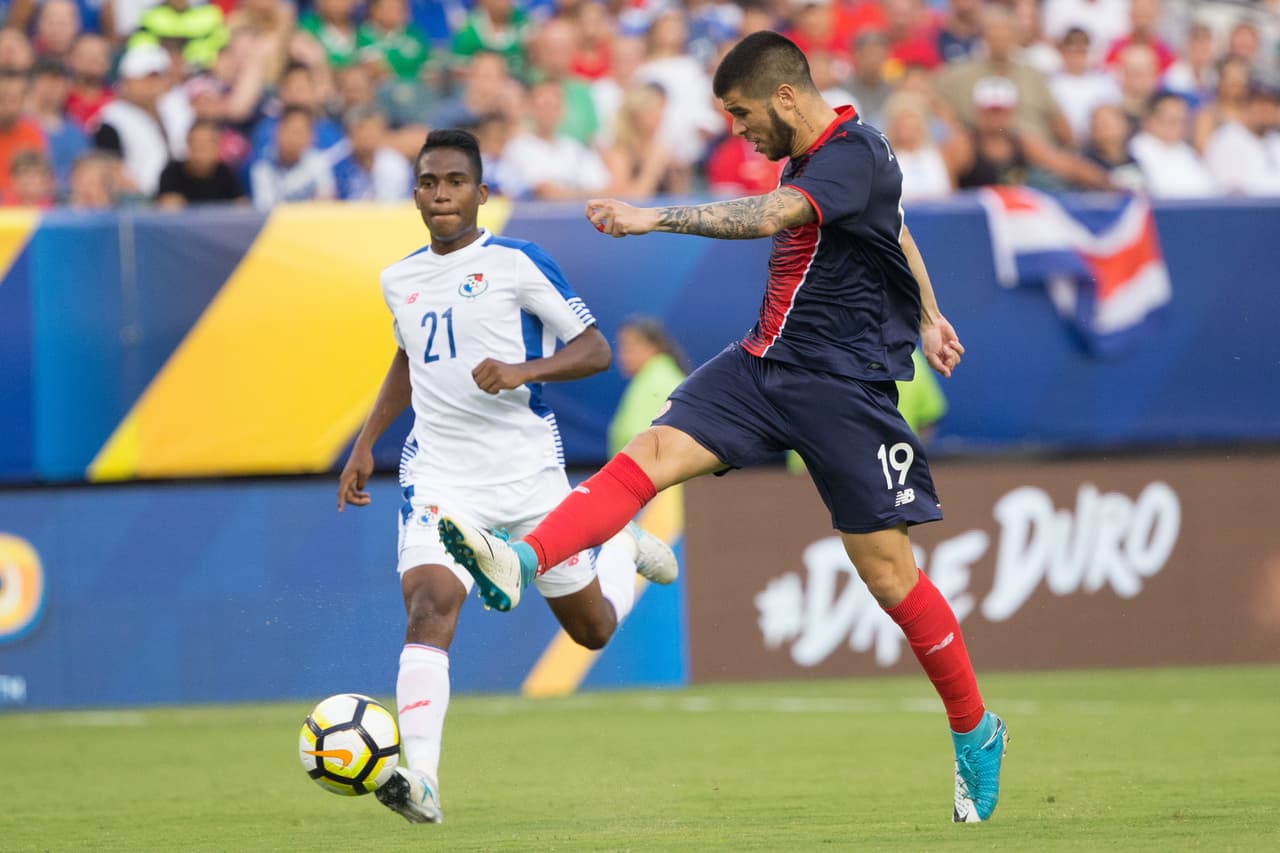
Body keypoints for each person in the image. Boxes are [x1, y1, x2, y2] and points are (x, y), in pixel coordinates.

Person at [437, 32, 1009, 824]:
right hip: (761, 364)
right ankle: (521, 558)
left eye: (741, 115)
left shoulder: (848, 154)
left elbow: (771, 214)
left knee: (888, 576)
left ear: (783, 97)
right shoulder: (822, 161)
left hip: (844, 391)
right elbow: (896, 228)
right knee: (652, 450)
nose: (737, 131)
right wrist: (932, 309)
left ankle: (977, 730)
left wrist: (652, 217)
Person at [336, 128, 678, 825]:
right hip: (440, 474)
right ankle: (421, 779)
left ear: (481, 193)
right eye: (429, 182)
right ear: (416, 193)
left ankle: (615, 546)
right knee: (430, 604)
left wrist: (523, 370)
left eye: (454, 182)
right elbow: (407, 360)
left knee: (591, 629)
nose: (441, 195)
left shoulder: (519, 264)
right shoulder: (397, 278)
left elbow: (594, 347)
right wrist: (367, 441)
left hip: (527, 476)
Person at [607, 316, 688, 456]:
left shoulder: (655, 382)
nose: (620, 356)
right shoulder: (658, 375)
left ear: (653, 347)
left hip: (639, 476)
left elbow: (640, 444)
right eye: (620, 348)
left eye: (628, 348)